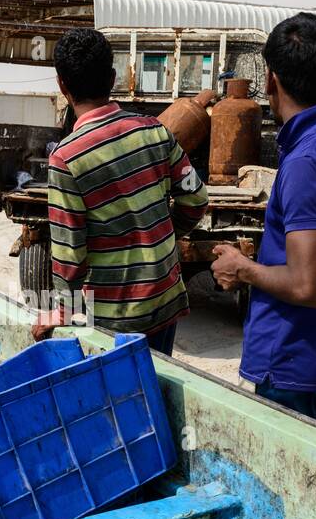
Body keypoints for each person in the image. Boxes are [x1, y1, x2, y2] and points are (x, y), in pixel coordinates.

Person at [210, 13, 316, 421]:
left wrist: (242, 268)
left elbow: (308, 286)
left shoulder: (307, 161)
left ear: (270, 80)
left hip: (289, 358)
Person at [32, 28, 209, 355]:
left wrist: (62, 309)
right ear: (113, 77)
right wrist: (162, 237)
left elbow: (70, 254)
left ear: (61, 84)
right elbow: (196, 199)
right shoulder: (156, 132)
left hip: (116, 318)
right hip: (166, 300)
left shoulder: (66, 159)